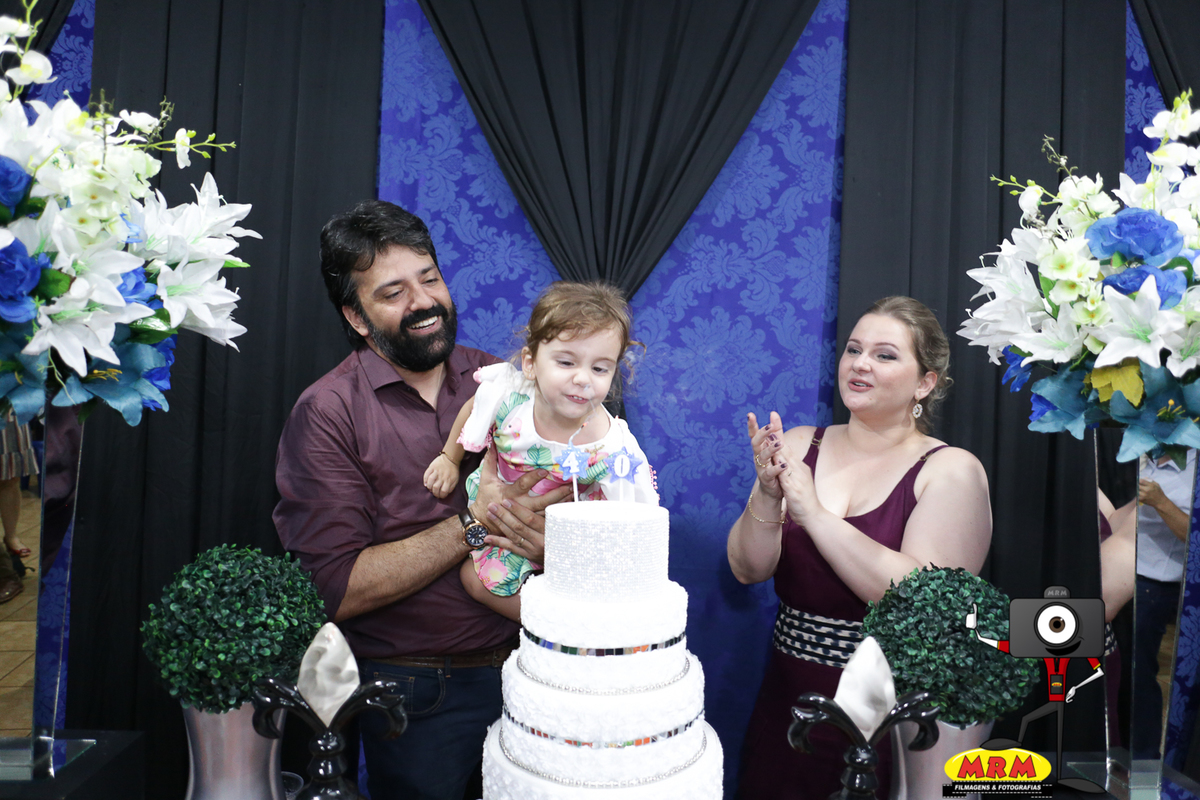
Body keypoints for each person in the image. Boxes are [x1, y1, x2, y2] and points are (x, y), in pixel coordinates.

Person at [274, 200, 571, 800]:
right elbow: (334, 587)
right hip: (419, 694)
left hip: (536, 673)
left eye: (429, 279)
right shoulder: (330, 412)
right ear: (356, 317)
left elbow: (576, 516)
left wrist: (554, 542)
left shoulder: (505, 383)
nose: (423, 302)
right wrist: (473, 523)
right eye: (393, 293)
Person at [727, 296, 991, 798]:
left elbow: (923, 604)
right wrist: (767, 492)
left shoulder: (950, 469)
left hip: (890, 711)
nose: (860, 363)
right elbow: (747, 569)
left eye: (884, 355)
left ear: (925, 383)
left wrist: (814, 514)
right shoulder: (801, 444)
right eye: (853, 349)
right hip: (791, 699)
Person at [424, 282, 658, 620]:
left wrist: (585, 555)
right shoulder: (511, 397)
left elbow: (634, 515)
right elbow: (474, 408)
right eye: (566, 362)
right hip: (507, 516)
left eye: (600, 368)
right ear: (530, 363)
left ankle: (576, 627)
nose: (583, 379)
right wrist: (450, 457)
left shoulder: (611, 445)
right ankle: (552, 622)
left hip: (575, 539)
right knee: (473, 579)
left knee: (592, 592)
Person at [1130, 449, 1193, 759]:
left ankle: (1144, 759)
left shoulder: (1194, 471)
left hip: (1155, 586)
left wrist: (1162, 502)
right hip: (1116, 575)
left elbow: (1194, 538)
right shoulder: (1138, 455)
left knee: (1138, 674)